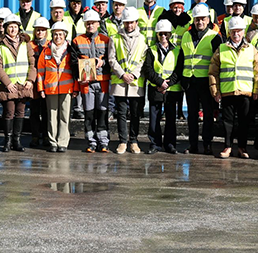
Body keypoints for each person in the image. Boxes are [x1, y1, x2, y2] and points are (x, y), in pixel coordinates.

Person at [208, 16, 258, 159]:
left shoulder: (251, 49)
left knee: (244, 121)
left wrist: (256, 90)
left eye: (238, 31)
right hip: (227, 91)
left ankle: (242, 147)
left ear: (243, 32)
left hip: (245, 92)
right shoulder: (222, 49)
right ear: (229, 33)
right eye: (233, 32)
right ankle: (227, 146)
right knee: (227, 122)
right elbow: (213, 72)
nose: (236, 34)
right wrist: (215, 91)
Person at [0, 14, 35, 152]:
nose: (13, 29)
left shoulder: (26, 44)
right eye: (10, 27)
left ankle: (17, 140)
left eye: (15, 27)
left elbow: (32, 63)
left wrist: (30, 80)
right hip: (7, 86)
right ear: (5, 28)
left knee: (21, 112)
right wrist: (8, 83)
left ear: (19, 29)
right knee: (9, 112)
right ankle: (8, 140)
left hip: (23, 84)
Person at [181, 5, 220, 154]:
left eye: (203, 19)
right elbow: (182, 59)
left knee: (208, 114)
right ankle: (193, 144)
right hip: (190, 82)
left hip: (206, 82)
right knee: (191, 115)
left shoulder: (214, 36)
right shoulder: (186, 36)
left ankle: (207, 144)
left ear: (208, 20)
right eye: (197, 19)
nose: (200, 22)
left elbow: (217, 62)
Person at [71, 10, 111, 153]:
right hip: (86, 83)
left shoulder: (106, 40)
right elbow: (73, 61)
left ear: (98, 24)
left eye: (93, 23)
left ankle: (103, 141)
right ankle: (91, 142)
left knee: (102, 112)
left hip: (103, 82)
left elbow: (111, 59)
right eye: (88, 23)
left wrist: (103, 62)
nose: (90, 25)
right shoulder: (77, 40)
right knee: (89, 113)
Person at [109, 9, 148, 153]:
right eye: (127, 22)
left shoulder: (143, 39)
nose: (129, 25)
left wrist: (134, 74)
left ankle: (134, 141)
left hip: (135, 82)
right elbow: (111, 59)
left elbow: (143, 59)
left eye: (131, 22)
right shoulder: (115, 38)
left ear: (136, 23)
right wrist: (122, 74)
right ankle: (122, 141)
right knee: (121, 113)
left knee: (135, 113)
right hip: (120, 81)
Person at [36, 21, 75, 153]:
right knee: (52, 117)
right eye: (55, 34)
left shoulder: (70, 50)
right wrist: (41, 88)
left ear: (65, 36)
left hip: (67, 89)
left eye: (60, 34)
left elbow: (76, 71)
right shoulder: (46, 51)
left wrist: (75, 89)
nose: (58, 37)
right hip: (50, 89)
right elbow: (40, 71)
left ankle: (63, 142)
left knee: (64, 116)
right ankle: (53, 142)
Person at [144, 21, 183, 154]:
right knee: (154, 118)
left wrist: (168, 83)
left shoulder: (177, 51)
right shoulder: (151, 50)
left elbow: (178, 70)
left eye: (166, 34)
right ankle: (155, 144)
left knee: (171, 118)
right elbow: (148, 70)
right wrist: (160, 83)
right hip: (156, 88)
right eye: (161, 34)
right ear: (157, 34)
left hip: (171, 90)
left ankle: (170, 144)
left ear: (170, 34)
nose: (164, 36)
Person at [26, 17, 51, 147]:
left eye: (42, 30)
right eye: (38, 30)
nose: (40, 32)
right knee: (34, 111)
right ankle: (35, 136)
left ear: (46, 31)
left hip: (47, 83)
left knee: (46, 111)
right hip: (34, 83)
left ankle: (46, 136)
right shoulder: (30, 45)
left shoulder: (50, 45)